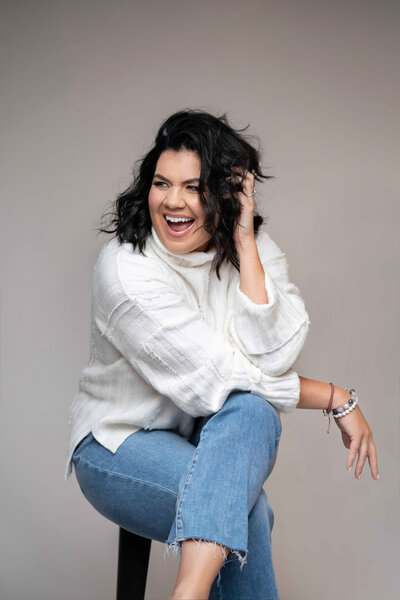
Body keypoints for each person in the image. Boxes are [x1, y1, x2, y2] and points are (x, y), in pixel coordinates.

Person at [65, 109, 379, 600]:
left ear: (227, 193)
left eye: (194, 187)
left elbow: (273, 356)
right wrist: (335, 397)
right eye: (161, 183)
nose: (172, 201)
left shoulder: (249, 248)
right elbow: (219, 377)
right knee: (246, 512)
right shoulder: (126, 271)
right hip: (115, 446)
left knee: (251, 416)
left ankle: (187, 593)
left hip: (203, 446)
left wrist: (246, 241)